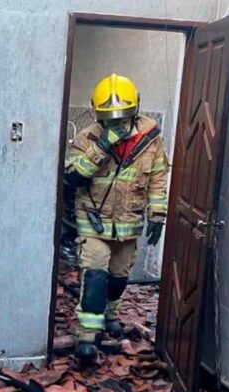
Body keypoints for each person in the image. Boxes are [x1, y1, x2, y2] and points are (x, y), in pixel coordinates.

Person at [64, 73, 170, 366]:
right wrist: (104, 145)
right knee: (95, 274)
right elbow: (73, 176)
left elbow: (158, 177)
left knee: (119, 276)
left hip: (128, 221)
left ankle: (111, 315)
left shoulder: (151, 140)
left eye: (121, 116)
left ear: (135, 109)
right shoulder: (88, 138)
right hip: (93, 220)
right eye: (109, 117)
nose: (116, 122)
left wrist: (157, 214)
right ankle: (87, 336)